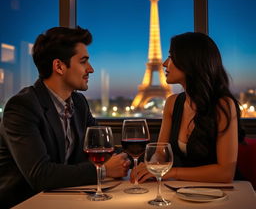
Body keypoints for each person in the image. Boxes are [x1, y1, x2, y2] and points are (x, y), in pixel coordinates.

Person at [0, 26, 130, 208]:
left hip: (67, 199)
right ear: (59, 66)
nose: (91, 69)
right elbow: (41, 175)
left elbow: (103, 146)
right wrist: (104, 170)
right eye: (83, 61)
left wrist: (128, 159)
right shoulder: (22, 107)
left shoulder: (78, 102)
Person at [131, 32, 244, 184]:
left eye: (171, 57)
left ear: (189, 62)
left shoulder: (223, 106)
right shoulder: (172, 103)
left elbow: (225, 173)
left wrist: (171, 172)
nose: (164, 63)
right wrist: (152, 166)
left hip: (221, 196)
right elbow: (160, 153)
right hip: (183, 191)